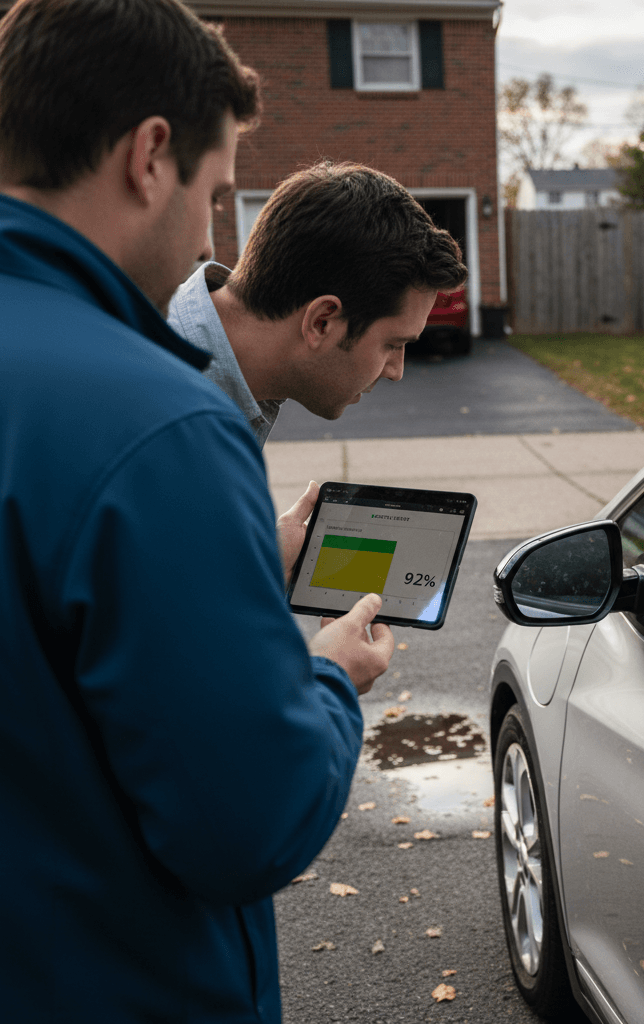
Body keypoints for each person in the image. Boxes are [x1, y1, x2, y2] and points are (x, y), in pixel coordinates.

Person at [0, 2, 392, 1021]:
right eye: (217, 196)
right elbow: (247, 825)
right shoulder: (155, 421)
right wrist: (329, 679)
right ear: (149, 156)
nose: (212, 239)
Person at [168, 161, 467, 574]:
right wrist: (318, 645)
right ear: (322, 321)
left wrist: (260, 563)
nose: (396, 370)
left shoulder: (207, 376)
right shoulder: (163, 418)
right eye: (393, 344)